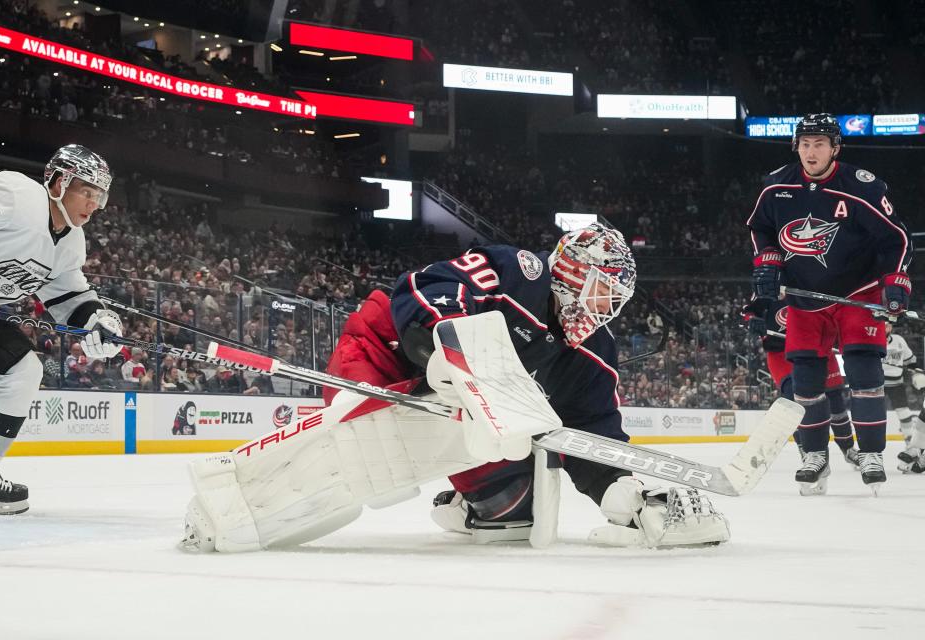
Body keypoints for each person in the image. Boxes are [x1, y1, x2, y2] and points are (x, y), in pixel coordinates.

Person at [325, 223, 729, 547]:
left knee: (511, 510)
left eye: (614, 301)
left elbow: (592, 422)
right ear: (574, 272)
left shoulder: (593, 350)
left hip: (467, 406)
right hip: (388, 353)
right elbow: (432, 286)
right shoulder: (518, 272)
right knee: (366, 454)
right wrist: (440, 343)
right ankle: (338, 430)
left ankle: (462, 505)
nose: (605, 309)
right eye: (602, 292)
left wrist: (619, 487)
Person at [747, 113, 912, 495]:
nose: (811, 151)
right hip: (805, 297)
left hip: (858, 293)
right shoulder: (776, 186)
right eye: (805, 144)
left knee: (863, 371)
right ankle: (815, 455)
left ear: (835, 148)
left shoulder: (860, 186)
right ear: (796, 148)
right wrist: (768, 262)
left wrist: (895, 283)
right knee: (805, 379)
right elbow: (761, 229)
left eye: (819, 143)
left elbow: (897, 239)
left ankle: (871, 453)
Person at [0, 144, 124, 514]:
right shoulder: (18, 197)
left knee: (23, 371)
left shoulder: (70, 242)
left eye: (98, 195)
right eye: (86, 190)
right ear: (57, 181)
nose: (93, 203)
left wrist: (96, 321)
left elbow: (68, 295)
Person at [742, 296, 859, 491]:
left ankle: (848, 449)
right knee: (794, 402)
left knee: (835, 402)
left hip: (818, 349)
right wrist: (753, 321)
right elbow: (748, 310)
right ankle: (809, 454)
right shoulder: (770, 282)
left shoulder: (815, 277)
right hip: (781, 354)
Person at [882, 324, 916, 460]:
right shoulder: (871, 340)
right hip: (875, 384)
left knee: (904, 413)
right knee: (871, 416)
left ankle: (911, 446)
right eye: (883, 326)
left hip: (897, 383)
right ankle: (867, 450)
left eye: (888, 326)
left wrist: (916, 373)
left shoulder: (899, 340)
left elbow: (911, 360)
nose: (885, 328)